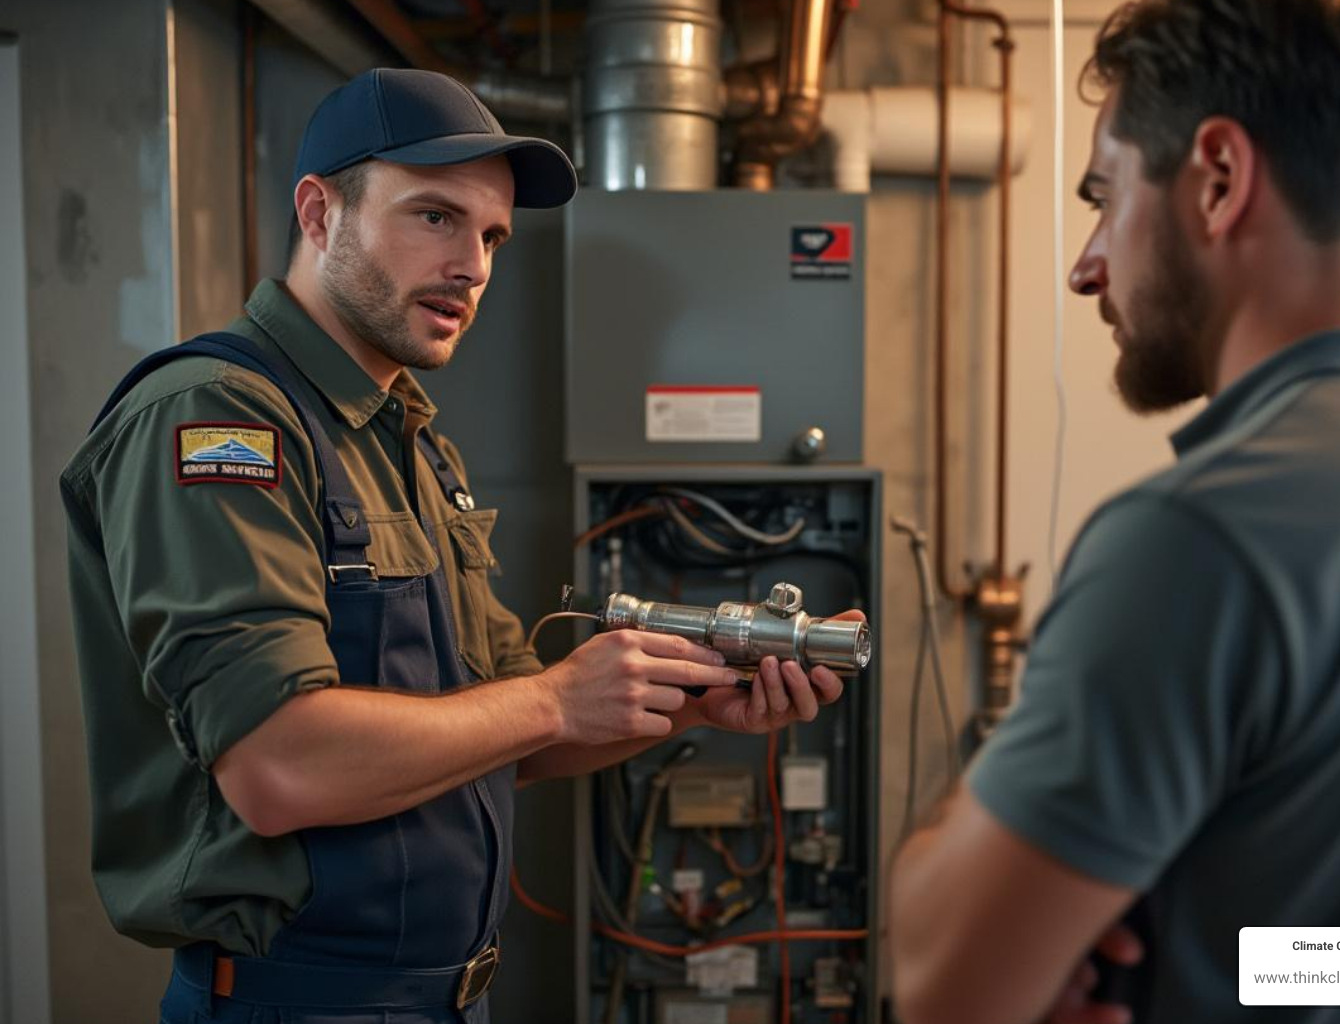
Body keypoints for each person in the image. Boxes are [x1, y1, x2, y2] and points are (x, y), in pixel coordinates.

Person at [62, 68, 854, 1024]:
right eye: (435, 217)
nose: (473, 266)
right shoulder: (222, 420)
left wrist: (690, 702)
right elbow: (278, 766)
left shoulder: (409, 442)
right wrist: (556, 697)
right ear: (319, 213)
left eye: (491, 237)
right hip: (297, 1005)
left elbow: (506, 735)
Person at [889, 1, 1340, 1022]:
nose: (1087, 265)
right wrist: (1228, 967)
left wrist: (950, 847)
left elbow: (940, 984)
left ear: (1220, 179)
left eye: (1106, 198)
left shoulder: (1199, 535)